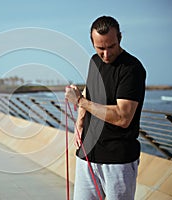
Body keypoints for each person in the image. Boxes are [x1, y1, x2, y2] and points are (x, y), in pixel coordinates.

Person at [65, 16, 146, 200]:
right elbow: (88, 91)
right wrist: (79, 123)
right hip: (87, 156)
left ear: (120, 38)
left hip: (118, 162)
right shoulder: (94, 61)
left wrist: (80, 102)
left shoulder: (132, 69)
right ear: (92, 42)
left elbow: (123, 117)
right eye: (100, 48)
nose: (106, 54)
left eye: (111, 46)